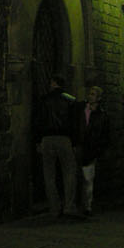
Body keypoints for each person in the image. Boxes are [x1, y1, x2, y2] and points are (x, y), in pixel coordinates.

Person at [35, 72, 80, 218]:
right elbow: (75, 123)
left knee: (49, 174)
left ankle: (54, 207)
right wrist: (75, 142)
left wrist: (38, 141)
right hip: (64, 138)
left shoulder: (44, 100)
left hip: (47, 138)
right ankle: (69, 206)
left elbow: (38, 121)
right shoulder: (70, 100)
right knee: (69, 172)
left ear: (54, 83)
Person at [73, 85, 110, 216]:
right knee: (76, 177)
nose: (90, 96)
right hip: (79, 146)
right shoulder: (81, 109)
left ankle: (87, 206)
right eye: (90, 93)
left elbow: (104, 133)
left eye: (93, 94)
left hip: (91, 149)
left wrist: (100, 148)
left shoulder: (102, 115)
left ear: (99, 98)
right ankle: (76, 204)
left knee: (88, 178)